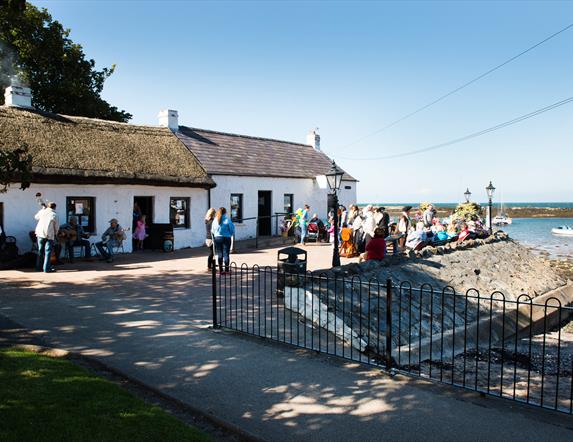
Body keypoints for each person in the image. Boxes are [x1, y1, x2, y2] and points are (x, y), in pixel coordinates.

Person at [34, 202, 59, 273]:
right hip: (49, 235)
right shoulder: (54, 215)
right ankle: (46, 268)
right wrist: (55, 234)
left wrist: (42, 210)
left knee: (40, 251)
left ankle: (38, 267)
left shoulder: (42, 212)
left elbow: (36, 217)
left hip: (40, 234)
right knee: (48, 252)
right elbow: (56, 226)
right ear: (54, 207)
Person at [212, 207, 235, 274]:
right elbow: (232, 229)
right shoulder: (227, 220)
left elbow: (212, 230)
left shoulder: (215, 220)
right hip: (226, 238)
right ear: (225, 212)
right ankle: (227, 270)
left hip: (217, 238)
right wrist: (229, 234)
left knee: (220, 254)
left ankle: (220, 270)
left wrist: (216, 235)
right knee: (226, 254)